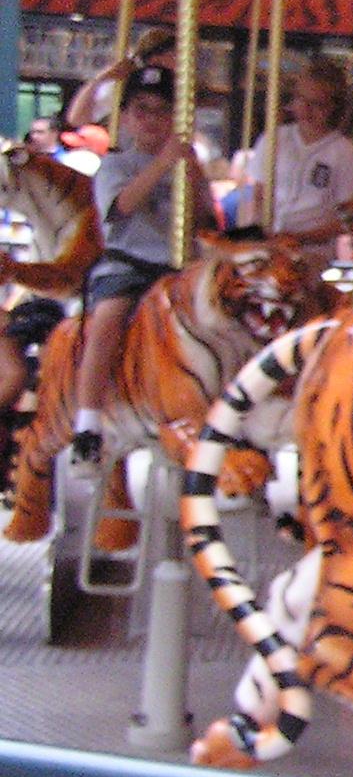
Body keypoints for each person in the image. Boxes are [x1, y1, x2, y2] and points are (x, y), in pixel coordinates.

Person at [67, 66, 215, 475]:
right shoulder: (116, 165)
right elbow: (124, 206)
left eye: (162, 111)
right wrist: (165, 162)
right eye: (142, 110)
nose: (152, 119)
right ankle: (88, 426)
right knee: (108, 320)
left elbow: (207, 219)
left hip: (179, 269)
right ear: (128, 117)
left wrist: (196, 177)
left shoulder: (187, 164)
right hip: (129, 266)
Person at [244, 57, 353, 266]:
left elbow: (347, 219)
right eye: (301, 100)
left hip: (310, 250)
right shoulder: (275, 139)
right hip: (267, 242)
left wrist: (300, 237)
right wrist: (261, 233)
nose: (306, 110)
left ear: (333, 107)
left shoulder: (343, 153)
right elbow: (259, 195)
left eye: (316, 104)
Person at [64, 27, 176, 130]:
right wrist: (100, 79)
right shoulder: (123, 85)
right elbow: (76, 119)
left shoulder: (176, 85)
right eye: (174, 55)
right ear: (156, 58)